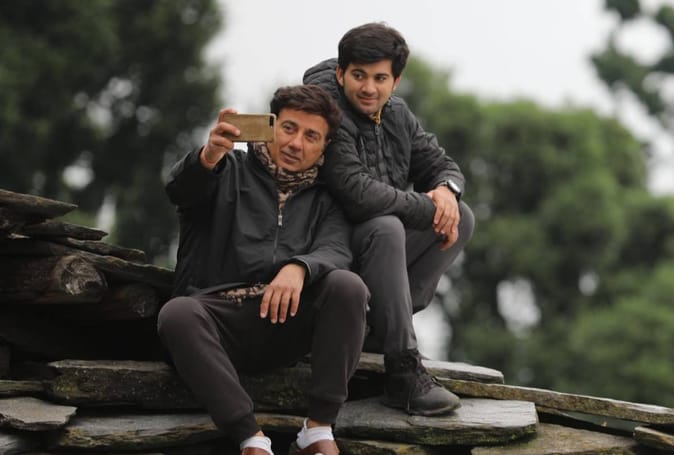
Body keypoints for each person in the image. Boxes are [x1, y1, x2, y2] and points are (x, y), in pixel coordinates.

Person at [158, 84, 369, 455]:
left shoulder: (328, 198)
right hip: (219, 320)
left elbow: (336, 250)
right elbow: (179, 190)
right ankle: (251, 439)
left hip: (286, 325)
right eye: (288, 128)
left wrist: (299, 268)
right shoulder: (225, 169)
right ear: (271, 127)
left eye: (311, 136)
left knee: (348, 286)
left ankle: (318, 430)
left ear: (324, 146)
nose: (295, 144)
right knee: (177, 313)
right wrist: (208, 156)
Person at [303, 22, 475, 416]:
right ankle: (402, 370)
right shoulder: (325, 111)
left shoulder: (397, 113)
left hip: (379, 248)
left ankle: (381, 332)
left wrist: (447, 191)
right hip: (326, 249)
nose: (369, 88)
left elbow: (441, 164)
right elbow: (357, 195)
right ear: (340, 73)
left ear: (395, 81)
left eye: (380, 78)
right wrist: (430, 207)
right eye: (359, 75)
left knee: (461, 218)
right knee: (386, 225)